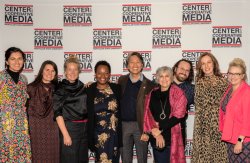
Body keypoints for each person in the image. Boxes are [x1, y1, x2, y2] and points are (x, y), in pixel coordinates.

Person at [142, 66, 187, 163]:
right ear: (157, 79)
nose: (164, 79)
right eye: (161, 76)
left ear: (171, 78)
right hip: (156, 137)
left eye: (167, 76)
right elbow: (148, 115)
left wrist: (160, 129)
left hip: (173, 137)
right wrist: (156, 133)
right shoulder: (152, 94)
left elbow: (179, 115)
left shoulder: (179, 93)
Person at [118, 52, 155, 163]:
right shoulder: (121, 81)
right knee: (125, 159)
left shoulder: (150, 85)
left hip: (141, 127)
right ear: (127, 66)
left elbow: (152, 111)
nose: (135, 65)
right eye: (131, 62)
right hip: (124, 126)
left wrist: (147, 131)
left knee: (142, 159)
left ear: (142, 65)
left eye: (138, 62)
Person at [192, 52, 228, 163]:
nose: (206, 66)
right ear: (200, 67)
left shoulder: (224, 82)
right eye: (203, 64)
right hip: (202, 127)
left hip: (219, 125)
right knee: (203, 157)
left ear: (214, 64)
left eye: (209, 62)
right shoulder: (198, 82)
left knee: (219, 157)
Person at [53, 56, 88, 163]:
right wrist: (66, 135)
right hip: (69, 129)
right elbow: (57, 113)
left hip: (85, 129)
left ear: (79, 71)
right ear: (65, 71)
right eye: (69, 69)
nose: (72, 72)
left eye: (75, 69)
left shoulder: (83, 86)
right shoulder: (60, 89)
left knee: (82, 160)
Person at [86, 60, 122, 163]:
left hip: (115, 135)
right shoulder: (89, 90)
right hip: (99, 136)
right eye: (99, 73)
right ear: (95, 74)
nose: (103, 75)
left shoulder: (117, 88)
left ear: (109, 74)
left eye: (106, 73)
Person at [0, 47, 32, 162]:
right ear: (7, 61)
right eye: (13, 59)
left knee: (21, 156)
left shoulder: (24, 79)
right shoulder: (1, 77)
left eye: (20, 58)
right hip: (4, 126)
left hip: (21, 126)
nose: (17, 62)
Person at [27, 60, 59, 162]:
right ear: (42, 71)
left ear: (56, 74)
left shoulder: (58, 89)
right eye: (47, 70)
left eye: (53, 71)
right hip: (36, 130)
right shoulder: (30, 88)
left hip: (53, 130)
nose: (50, 73)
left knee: (53, 156)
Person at [219, 58, 250, 162]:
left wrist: (240, 141)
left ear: (242, 75)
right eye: (230, 73)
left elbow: (247, 120)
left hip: (243, 141)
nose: (233, 76)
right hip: (231, 138)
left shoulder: (247, 92)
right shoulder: (230, 89)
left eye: (237, 74)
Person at [172, 59, 194, 146]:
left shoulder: (192, 89)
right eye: (182, 68)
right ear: (175, 69)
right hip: (160, 131)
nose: (184, 72)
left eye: (187, 70)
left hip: (179, 130)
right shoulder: (161, 83)